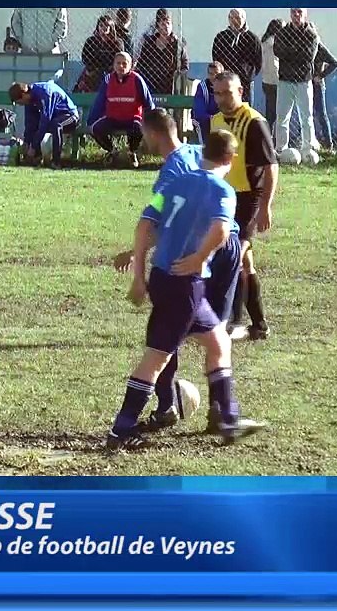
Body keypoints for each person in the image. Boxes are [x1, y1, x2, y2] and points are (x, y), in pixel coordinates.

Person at [106, 129, 266, 449]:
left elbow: (144, 225)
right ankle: (121, 430)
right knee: (157, 358)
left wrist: (138, 276)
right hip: (184, 285)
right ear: (231, 159)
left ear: (203, 153)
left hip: (163, 278)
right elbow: (222, 230)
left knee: (218, 341)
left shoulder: (172, 184)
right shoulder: (223, 190)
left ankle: (228, 420)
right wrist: (199, 258)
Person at [209, 72, 278, 341]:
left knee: (233, 256)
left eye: (227, 93)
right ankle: (259, 325)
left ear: (240, 91)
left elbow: (271, 167)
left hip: (250, 198)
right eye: (217, 93)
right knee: (245, 262)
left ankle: (232, 321)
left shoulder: (254, 122)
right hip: (226, 199)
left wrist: (266, 206)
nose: (222, 99)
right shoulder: (215, 121)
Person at [87, 52, 157, 168]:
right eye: (118, 63)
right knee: (95, 128)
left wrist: (152, 122)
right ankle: (112, 151)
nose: (121, 66)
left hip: (132, 118)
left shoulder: (137, 80)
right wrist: (91, 121)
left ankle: (131, 152)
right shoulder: (108, 80)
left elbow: (148, 103)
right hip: (112, 118)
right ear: (113, 65)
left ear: (130, 66)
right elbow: (99, 102)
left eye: (124, 64)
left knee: (139, 128)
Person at [271, 8, 322, 157]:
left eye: (299, 12)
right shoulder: (282, 33)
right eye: (294, 12)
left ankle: (307, 149)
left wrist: (290, 52)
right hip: (285, 80)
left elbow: (309, 55)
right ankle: (281, 150)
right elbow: (278, 51)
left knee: (306, 117)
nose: (296, 15)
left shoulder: (311, 34)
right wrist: (297, 51)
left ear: (305, 14)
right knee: (282, 117)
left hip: (303, 81)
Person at [10, 78, 79, 168]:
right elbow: (30, 123)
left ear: (23, 95)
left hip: (70, 116)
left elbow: (45, 120)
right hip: (53, 118)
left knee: (56, 125)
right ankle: (36, 158)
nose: (19, 105)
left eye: (19, 102)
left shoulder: (44, 93)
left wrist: (33, 146)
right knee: (39, 125)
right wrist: (27, 143)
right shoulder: (29, 100)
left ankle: (56, 161)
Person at [211, 9, 261, 104]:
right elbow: (216, 57)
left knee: (244, 108)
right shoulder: (221, 37)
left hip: (245, 83)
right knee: (225, 106)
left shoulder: (252, 38)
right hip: (226, 81)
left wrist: (248, 75)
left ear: (244, 19)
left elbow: (258, 62)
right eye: (232, 18)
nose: (234, 20)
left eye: (238, 18)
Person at [134, 10, 188, 95]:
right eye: (163, 24)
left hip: (169, 83)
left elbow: (185, 65)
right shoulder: (149, 42)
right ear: (158, 26)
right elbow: (141, 63)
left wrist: (178, 75)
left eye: (168, 23)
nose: (166, 26)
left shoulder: (177, 44)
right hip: (151, 81)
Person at [75, 15, 123, 93]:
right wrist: (94, 68)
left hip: (110, 71)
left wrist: (106, 68)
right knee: (83, 82)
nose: (103, 28)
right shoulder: (91, 41)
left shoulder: (117, 42)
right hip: (93, 71)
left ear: (111, 27)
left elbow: (118, 58)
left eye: (106, 26)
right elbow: (85, 57)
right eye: (101, 25)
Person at [311, 39, 337, 151]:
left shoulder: (319, 48)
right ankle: (309, 141)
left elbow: (334, 63)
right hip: (304, 84)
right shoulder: (302, 46)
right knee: (305, 114)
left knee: (321, 114)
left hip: (317, 85)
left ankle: (328, 143)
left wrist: (320, 76)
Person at [258, 19, 283, 131]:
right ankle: (275, 137)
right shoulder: (274, 44)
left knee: (270, 111)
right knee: (279, 113)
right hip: (276, 81)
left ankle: (269, 135)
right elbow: (274, 64)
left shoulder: (264, 42)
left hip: (266, 80)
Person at [192, 61, 223, 143]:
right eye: (210, 74)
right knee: (203, 123)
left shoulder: (225, 87)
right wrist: (215, 119)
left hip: (220, 119)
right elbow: (199, 112)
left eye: (216, 73)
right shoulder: (202, 87)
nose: (213, 76)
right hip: (205, 120)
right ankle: (204, 148)